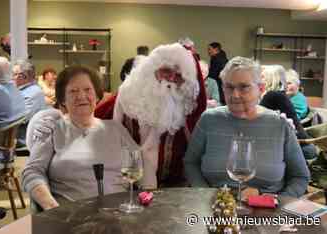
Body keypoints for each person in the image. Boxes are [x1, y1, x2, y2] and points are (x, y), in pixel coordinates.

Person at [184, 56, 310, 198]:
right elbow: (190, 162)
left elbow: (300, 177)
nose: (235, 95)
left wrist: (278, 202)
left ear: (260, 88)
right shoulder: (209, 119)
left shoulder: (279, 125)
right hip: (214, 208)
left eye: (244, 87)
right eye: (229, 87)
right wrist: (205, 195)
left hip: (267, 212)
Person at [22, 66, 138, 211]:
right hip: (71, 218)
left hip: (120, 214)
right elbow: (32, 172)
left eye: (88, 90)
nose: (81, 96)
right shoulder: (51, 129)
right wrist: (52, 207)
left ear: (96, 96)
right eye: (73, 91)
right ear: (63, 99)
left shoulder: (115, 128)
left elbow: (138, 163)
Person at [96, 43, 207, 189]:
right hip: (127, 188)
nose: (171, 79)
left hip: (176, 190)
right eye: (166, 71)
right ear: (151, 70)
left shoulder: (188, 109)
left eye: (179, 76)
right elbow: (93, 127)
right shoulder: (125, 99)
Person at [260, 65, 316, 160]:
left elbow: (256, 119)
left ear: (271, 79)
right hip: (304, 147)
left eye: (263, 77)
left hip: (300, 149)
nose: (260, 80)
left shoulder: (272, 95)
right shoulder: (279, 95)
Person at [12, 60, 47, 145]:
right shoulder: (23, 90)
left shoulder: (33, 93)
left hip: (22, 138)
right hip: (14, 135)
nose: (11, 78)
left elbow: (21, 119)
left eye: (13, 74)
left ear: (23, 76)